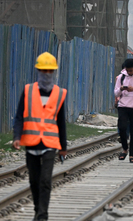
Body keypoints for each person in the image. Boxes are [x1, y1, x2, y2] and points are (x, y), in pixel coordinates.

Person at [12, 52, 67, 221]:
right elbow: (20, 116)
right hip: (32, 143)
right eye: (44, 71)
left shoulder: (59, 93)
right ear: (38, 71)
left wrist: (63, 147)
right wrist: (16, 136)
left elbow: (61, 122)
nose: (47, 74)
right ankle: (38, 209)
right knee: (34, 181)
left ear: (54, 72)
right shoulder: (28, 90)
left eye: (50, 71)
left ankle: (43, 215)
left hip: (50, 144)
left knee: (45, 181)